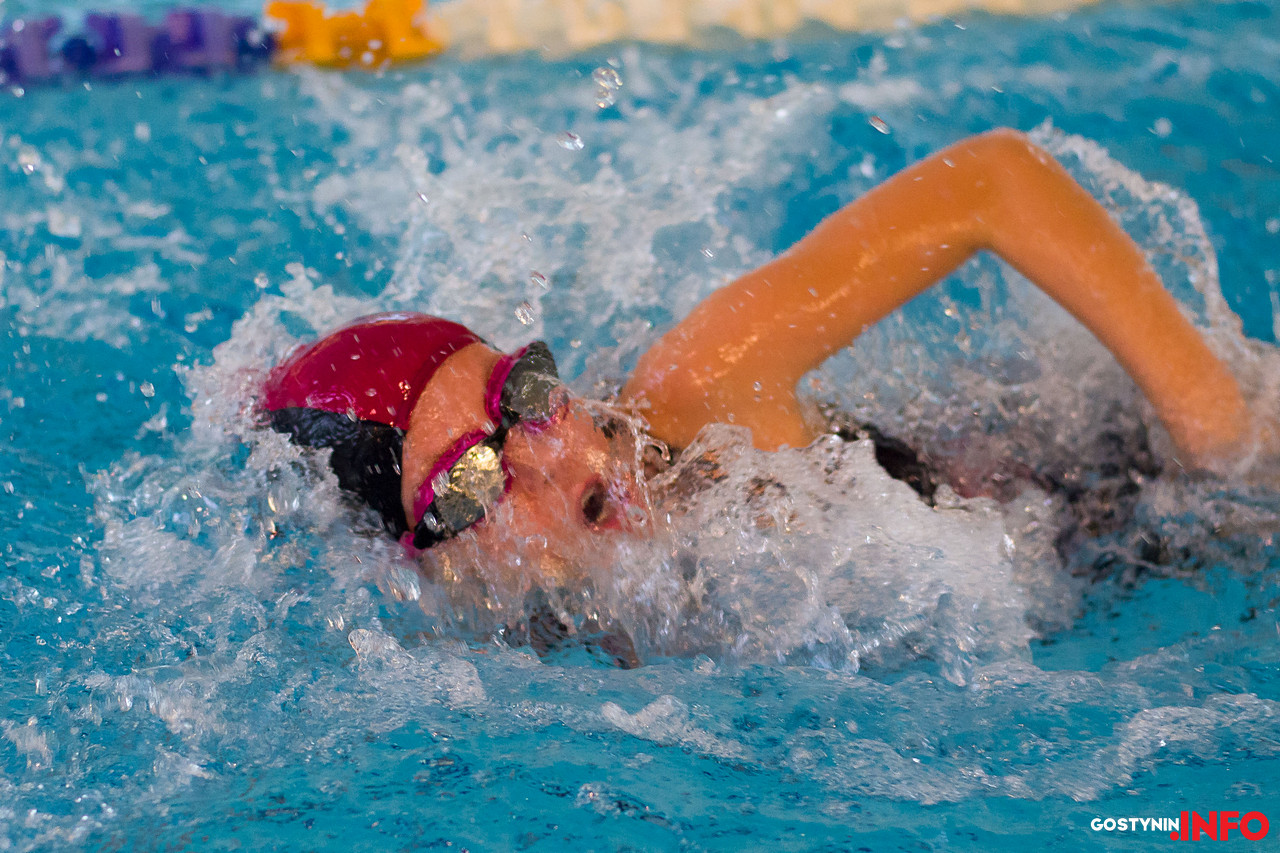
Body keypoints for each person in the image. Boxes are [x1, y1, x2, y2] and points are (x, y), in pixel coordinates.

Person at [262, 128, 1265, 583]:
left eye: (524, 397)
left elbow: (992, 181)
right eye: (475, 480)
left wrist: (1210, 427)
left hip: (1138, 504)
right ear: (416, 562)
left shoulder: (694, 394)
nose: (559, 460)